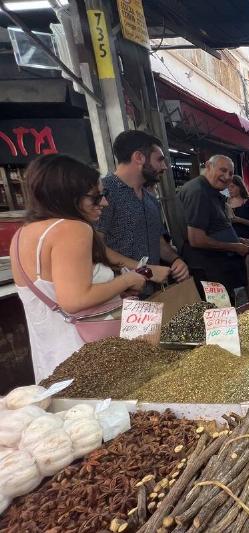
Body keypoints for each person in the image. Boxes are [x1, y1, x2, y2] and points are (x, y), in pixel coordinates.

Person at [11, 155, 147, 381]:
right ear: (67, 195)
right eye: (96, 197)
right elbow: (74, 300)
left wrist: (113, 290)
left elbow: (56, 291)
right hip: (86, 362)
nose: (104, 203)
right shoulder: (73, 229)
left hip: (51, 363)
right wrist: (128, 280)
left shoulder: (22, 234)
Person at [98, 131, 190, 289]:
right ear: (139, 157)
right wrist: (146, 271)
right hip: (119, 298)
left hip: (154, 293)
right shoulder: (104, 193)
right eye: (160, 160)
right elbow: (95, 248)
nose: (165, 167)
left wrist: (176, 260)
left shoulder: (150, 199)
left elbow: (158, 241)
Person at [178, 155, 249, 303]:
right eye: (223, 170)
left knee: (226, 310)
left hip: (217, 267)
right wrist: (235, 247)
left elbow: (213, 228)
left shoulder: (210, 190)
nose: (227, 177)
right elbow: (196, 239)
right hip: (208, 270)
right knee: (220, 315)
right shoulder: (198, 192)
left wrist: (237, 240)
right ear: (208, 166)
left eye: (231, 173)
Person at [228, 175, 249, 280]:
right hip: (233, 240)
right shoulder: (226, 202)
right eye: (228, 187)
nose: (230, 190)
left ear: (240, 186)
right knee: (236, 272)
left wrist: (239, 220)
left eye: (232, 187)